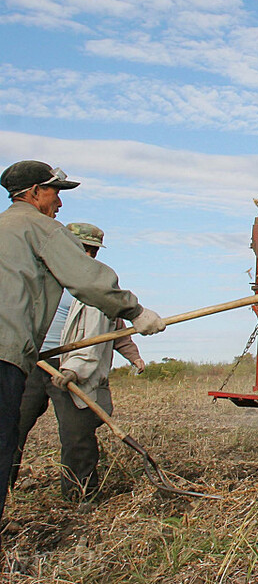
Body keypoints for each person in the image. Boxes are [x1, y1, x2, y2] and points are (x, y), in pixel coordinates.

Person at [0, 161, 165, 523]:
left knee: (73, 436)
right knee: (7, 436)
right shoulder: (41, 229)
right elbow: (91, 282)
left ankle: (80, 497)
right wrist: (136, 310)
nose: (59, 203)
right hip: (19, 360)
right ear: (33, 193)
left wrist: (78, 367)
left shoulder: (6, 231)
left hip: (49, 364)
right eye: (55, 192)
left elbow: (101, 334)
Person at [10, 223, 147, 502]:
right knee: (11, 429)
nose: (87, 254)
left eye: (92, 250)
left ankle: (80, 496)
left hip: (73, 367)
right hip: (33, 362)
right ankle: (5, 487)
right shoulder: (39, 277)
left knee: (77, 436)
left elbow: (115, 328)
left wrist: (133, 356)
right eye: (82, 248)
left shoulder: (96, 286)